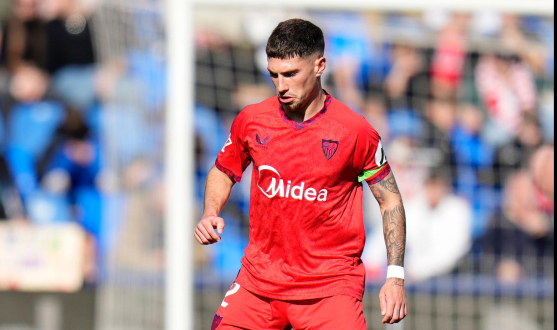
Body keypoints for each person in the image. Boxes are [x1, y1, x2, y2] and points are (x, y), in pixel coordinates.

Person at [195, 19, 408, 329]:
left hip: (329, 290)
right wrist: (210, 211)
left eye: (291, 74)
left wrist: (395, 277)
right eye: (274, 76)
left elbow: (390, 200)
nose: (281, 86)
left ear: (319, 65)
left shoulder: (355, 131)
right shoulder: (253, 121)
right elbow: (223, 170)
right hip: (259, 284)